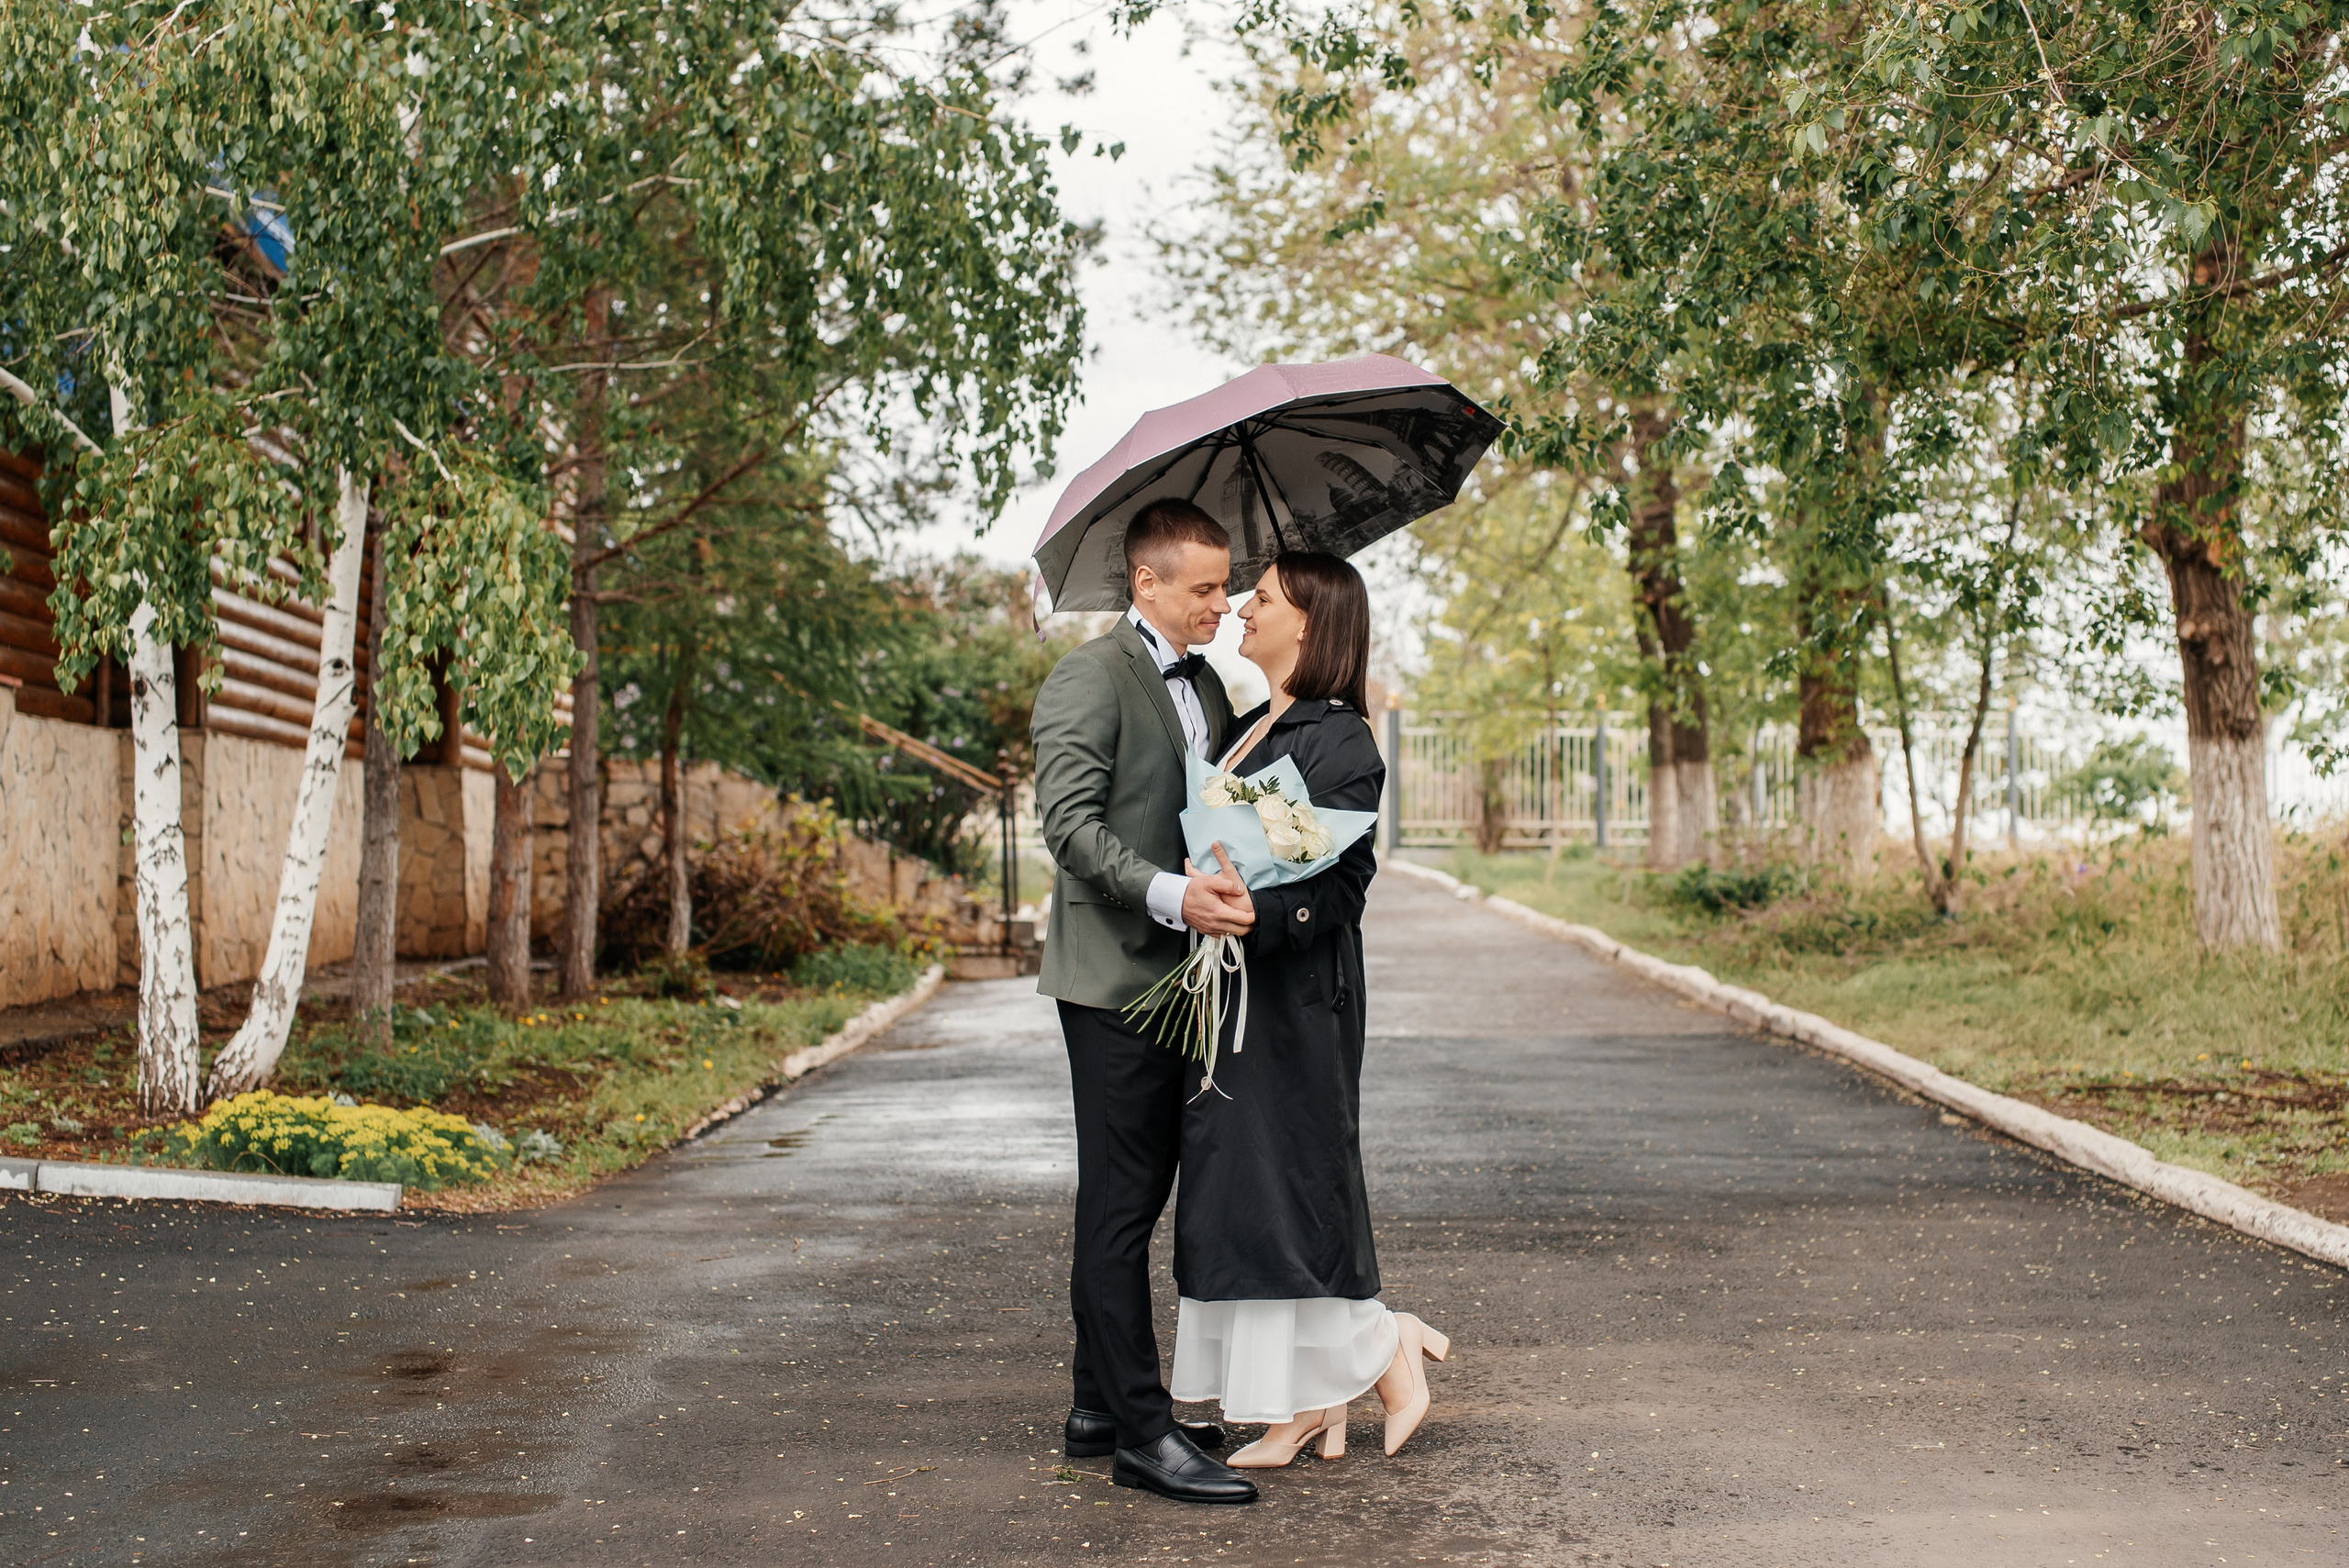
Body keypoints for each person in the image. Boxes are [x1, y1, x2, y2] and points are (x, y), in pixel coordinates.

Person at [1166, 552, 1451, 1466]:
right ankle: (1302, 1400)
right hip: (1228, 985)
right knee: (1238, 1194)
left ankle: (1375, 1350)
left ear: (1312, 621)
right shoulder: (1251, 725)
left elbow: (1339, 883)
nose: (1242, 610)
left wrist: (1266, 907)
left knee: (1289, 1188)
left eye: (1262, 598)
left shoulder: (1341, 739)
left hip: (1296, 1000)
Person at [1029, 497, 1262, 1506]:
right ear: (1147, 584)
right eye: (1204, 587)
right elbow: (1069, 826)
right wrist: (1171, 891)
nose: (1222, 602)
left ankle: (1095, 1403)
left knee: (1143, 1190)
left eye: (1225, 585)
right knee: (1121, 1204)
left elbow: (1207, 804)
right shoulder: (1087, 675)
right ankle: (1138, 1427)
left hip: (1185, 977)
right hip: (1112, 979)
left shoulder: (1209, 682)